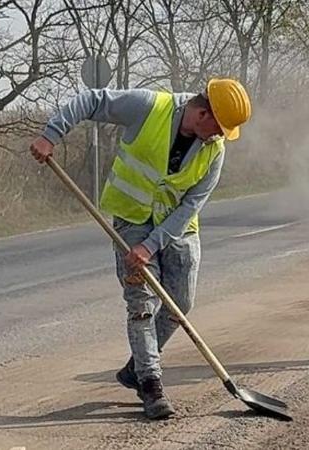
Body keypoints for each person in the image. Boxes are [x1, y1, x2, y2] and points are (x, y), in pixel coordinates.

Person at [29, 78, 252, 419]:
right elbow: (92, 100)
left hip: (177, 229)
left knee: (181, 302)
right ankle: (150, 383)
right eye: (219, 128)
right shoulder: (149, 107)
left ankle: (136, 367)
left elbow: (191, 205)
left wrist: (153, 244)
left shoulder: (214, 151)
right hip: (131, 220)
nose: (220, 136)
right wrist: (52, 133)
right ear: (202, 113)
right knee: (141, 304)